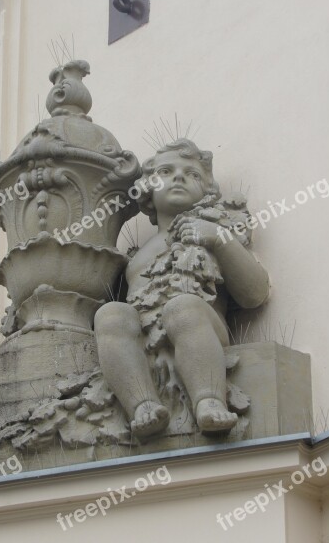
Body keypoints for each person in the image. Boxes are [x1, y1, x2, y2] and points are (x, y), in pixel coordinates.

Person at [95, 139, 270, 437]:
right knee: (110, 314)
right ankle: (143, 405)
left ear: (207, 191)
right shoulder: (135, 258)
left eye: (193, 174)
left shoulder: (216, 227)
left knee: (182, 307)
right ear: (148, 191)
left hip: (201, 327)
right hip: (147, 341)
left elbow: (254, 293)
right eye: (166, 171)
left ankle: (209, 400)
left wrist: (216, 238)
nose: (179, 177)